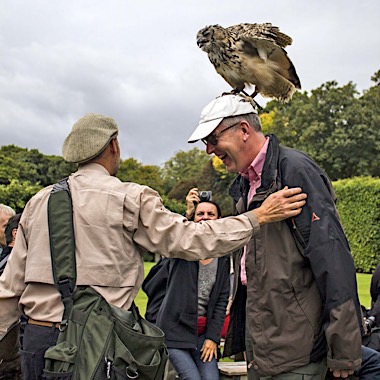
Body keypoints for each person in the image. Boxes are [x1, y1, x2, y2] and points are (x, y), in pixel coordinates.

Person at [0, 113, 307, 379]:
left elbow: (10, 289)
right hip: (96, 346)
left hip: (38, 343)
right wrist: (257, 217)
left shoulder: (38, 202)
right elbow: (193, 239)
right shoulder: (129, 198)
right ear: (114, 146)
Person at [188, 94, 363, 379]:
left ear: (244, 130)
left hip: (297, 352)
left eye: (213, 138)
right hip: (261, 347)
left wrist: (343, 351)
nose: (209, 150)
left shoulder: (294, 170)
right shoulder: (244, 183)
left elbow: (332, 259)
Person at [143, 190, 229, 380]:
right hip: (174, 333)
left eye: (210, 214)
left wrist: (212, 338)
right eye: (200, 214)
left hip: (202, 336)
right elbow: (174, 237)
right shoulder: (182, 251)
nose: (205, 217)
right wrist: (188, 213)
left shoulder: (223, 257)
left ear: (219, 219)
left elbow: (221, 301)